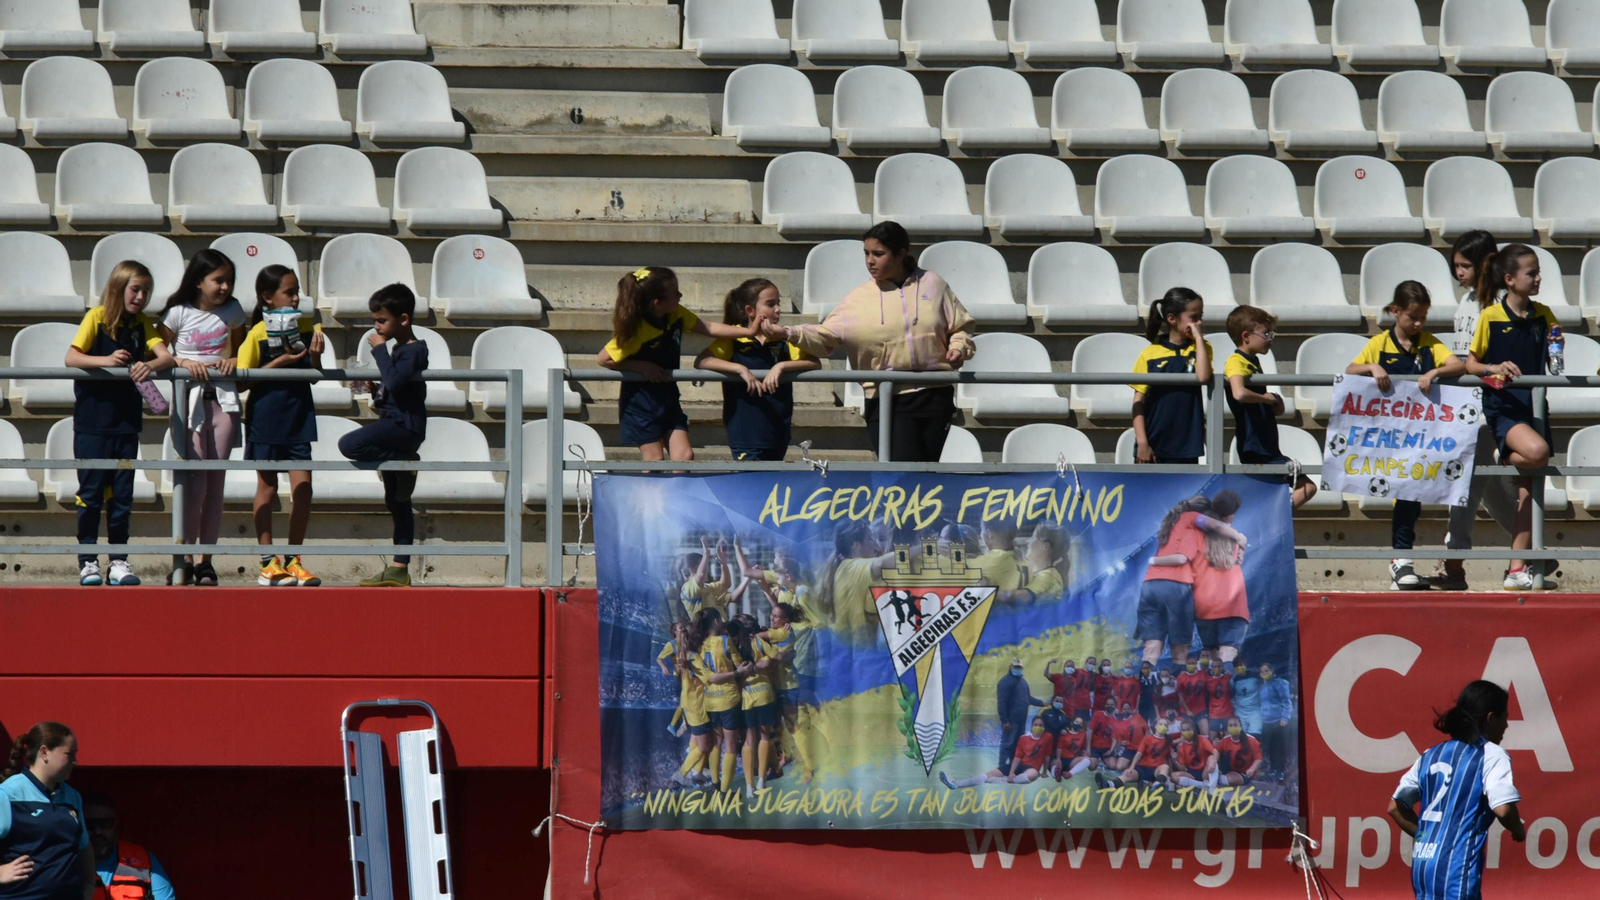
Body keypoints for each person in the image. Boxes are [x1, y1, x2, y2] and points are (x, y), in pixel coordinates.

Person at [762, 222, 976, 462]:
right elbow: (826, 336)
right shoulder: (858, 298)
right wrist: (787, 333)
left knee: (927, 471)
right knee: (901, 472)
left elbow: (960, 327)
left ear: (901, 254)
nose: (869, 261)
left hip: (935, 394)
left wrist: (958, 347)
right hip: (886, 397)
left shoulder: (934, 284)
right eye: (866, 253)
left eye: (878, 254)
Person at [1346, 281, 1467, 591]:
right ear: (1395, 311)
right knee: (1406, 494)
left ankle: (1403, 559)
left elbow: (1457, 364)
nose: (1418, 323)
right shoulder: (1380, 344)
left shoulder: (1428, 343)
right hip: (1388, 438)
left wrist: (1433, 373)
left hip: (1420, 437)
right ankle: (1400, 560)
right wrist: (1372, 367)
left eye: (1423, 317)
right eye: (1413, 317)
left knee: (1412, 495)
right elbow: (1350, 369)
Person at [64, 261, 175, 587]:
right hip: (92, 425)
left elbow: (166, 357)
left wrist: (149, 366)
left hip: (126, 425)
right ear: (117, 288)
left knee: (121, 497)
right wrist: (106, 362)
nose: (141, 297)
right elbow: (72, 357)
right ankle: (87, 561)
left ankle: (118, 560)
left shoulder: (143, 324)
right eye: (135, 289)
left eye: (146, 292)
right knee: (90, 495)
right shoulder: (96, 317)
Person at [1464, 244, 1558, 591]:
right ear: (1510, 279)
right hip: (1504, 409)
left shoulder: (1544, 314)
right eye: (1531, 273)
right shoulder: (1490, 316)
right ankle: (1503, 451)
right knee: (1536, 454)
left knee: (1532, 489)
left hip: (1535, 409)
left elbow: (1554, 353)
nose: (1537, 278)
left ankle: (1517, 569)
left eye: (1537, 272)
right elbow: (1472, 363)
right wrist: (1494, 367)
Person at [598, 267, 756, 463]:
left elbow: (709, 327)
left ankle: (679, 491)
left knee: (684, 456)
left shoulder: (677, 314)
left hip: (667, 397)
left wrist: (749, 333)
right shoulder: (637, 329)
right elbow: (603, 358)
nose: (680, 295)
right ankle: (651, 494)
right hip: (641, 404)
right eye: (675, 293)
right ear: (658, 303)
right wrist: (642, 366)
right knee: (655, 459)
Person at [1388, 680, 1525, 900]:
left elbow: (1395, 807)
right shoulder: (1490, 754)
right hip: (1456, 867)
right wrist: (1517, 828)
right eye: (1505, 718)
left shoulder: (1429, 755)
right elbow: (1504, 809)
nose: (1506, 726)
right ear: (1491, 718)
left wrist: (1429, 837)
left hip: (1423, 866)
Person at [1437, 230, 1520, 590]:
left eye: (1465, 265)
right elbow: (1460, 355)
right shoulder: (1466, 301)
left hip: (1491, 407)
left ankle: (1453, 566)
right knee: (1486, 492)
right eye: (1455, 265)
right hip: (1465, 406)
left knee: (1464, 486)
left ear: (1486, 263)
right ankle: (1538, 556)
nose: (1459, 272)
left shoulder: (1503, 303)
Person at [159, 249, 245, 587]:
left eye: (228, 281)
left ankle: (206, 561)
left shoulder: (233, 312)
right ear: (199, 281)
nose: (224, 287)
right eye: (218, 280)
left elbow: (240, 351)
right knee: (192, 484)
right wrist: (181, 362)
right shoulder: (177, 312)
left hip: (223, 403)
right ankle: (184, 558)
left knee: (214, 484)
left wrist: (232, 362)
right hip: (188, 404)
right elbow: (159, 351)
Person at [236, 265, 323, 588]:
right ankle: (268, 562)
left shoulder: (305, 327)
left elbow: (316, 375)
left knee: (303, 490)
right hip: (265, 418)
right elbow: (241, 381)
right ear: (267, 298)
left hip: (299, 417)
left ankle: (294, 559)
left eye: (297, 290)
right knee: (268, 489)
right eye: (289, 291)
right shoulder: (257, 333)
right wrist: (279, 363)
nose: (296, 297)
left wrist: (315, 357)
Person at [339, 284, 429, 588]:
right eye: (375, 320)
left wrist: (378, 349)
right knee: (397, 501)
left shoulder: (415, 349)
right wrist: (374, 389)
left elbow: (394, 377)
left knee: (349, 444)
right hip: (397, 423)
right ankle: (399, 568)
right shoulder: (398, 351)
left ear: (403, 319)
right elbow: (394, 386)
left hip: (404, 428)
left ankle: (403, 460)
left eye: (381, 320)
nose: (375, 327)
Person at [693, 279, 818, 461]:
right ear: (750, 311)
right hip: (745, 432)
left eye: (778, 303)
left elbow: (814, 363)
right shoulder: (734, 338)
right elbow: (702, 360)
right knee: (751, 482)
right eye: (770, 304)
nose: (777, 309)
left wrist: (781, 366)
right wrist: (739, 368)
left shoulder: (784, 337)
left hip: (777, 428)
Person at [1225, 306, 1317, 508]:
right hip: (1255, 448)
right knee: (1307, 487)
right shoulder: (1236, 361)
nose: (1271, 338)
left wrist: (1274, 402)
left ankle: (1273, 519)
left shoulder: (1253, 361)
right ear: (1246, 336)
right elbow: (1238, 392)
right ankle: (1275, 521)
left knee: (1297, 490)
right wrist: (1265, 398)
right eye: (1266, 333)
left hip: (1268, 446)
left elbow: (1266, 404)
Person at [1139, 494, 1246, 666]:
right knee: (1182, 650)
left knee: (1151, 645)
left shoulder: (1169, 528)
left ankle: (1145, 685)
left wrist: (1152, 561)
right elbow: (1182, 558)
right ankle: (1182, 685)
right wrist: (1240, 538)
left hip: (1150, 584)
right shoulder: (1193, 525)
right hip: (1179, 587)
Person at [1, 722, 96, 900]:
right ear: (44, 752)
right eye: (70, 754)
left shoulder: (72, 798)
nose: (75, 761)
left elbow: (84, 846)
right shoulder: (8, 795)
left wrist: (90, 884)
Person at [1131, 287, 1211, 465]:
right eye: (1193, 318)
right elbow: (1138, 402)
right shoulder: (1149, 353)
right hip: (1153, 444)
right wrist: (1142, 443)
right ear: (1172, 319)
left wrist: (1198, 339)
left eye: (1201, 317)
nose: (1199, 323)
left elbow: (1204, 377)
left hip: (1186, 444)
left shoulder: (1201, 348)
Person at [688, 609, 743, 792]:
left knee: (716, 744)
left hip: (710, 700)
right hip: (728, 698)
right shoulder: (725, 641)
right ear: (717, 621)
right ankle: (726, 791)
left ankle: (716, 784)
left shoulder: (699, 646)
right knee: (731, 746)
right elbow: (740, 665)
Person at [82, 793, 175, 900]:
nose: (98, 831)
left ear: (116, 825)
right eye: (89, 824)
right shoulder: (66, 862)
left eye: (105, 823)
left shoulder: (145, 860)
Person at [814, 520, 896, 641]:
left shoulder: (838, 568)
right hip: (862, 647)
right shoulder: (859, 569)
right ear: (856, 545)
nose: (876, 545)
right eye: (871, 539)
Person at [659, 623, 715, 788]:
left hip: (688, 703)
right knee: (705, 744)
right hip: (696, 705)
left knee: (696, 738)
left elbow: (678, 675)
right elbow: (709, 678)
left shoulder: (683, 657)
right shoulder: (693, 657)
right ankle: (682, 773)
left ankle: (697, 772)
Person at [730, 616, 780, 797]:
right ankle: (761, 780)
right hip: (764, 692)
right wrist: (757, 667)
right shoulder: (756, 641)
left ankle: (749, 785)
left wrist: (744, 671)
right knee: (765, 736)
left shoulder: (731, 646)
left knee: (749, 740)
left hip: (745, 696)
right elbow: (770, 659)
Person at [942, 716, 1053, 788]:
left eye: (1041, 725)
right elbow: (1017, 758)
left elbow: (1047, 756)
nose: (1038, 727)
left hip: (1031, 768)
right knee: (987, 775)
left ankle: (1003, 781)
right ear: (1032, 726)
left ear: (1044, 727)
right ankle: (957, 783)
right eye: (1036, 724)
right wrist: (1011, 773)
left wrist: (1044, 772)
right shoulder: (1023, 739)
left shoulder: (1048, 737)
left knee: (1033, 774)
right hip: (1019, 765)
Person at [996, 657, 1047, 770]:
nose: (1018, 669)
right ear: (1010, 667)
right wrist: (1005, 721)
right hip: (1010, 721)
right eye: (1016, 667)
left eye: (1020, 667)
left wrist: (1041, 703)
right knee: (1007, 744)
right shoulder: (1005, 682)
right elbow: (1002, 702)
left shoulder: (1023, 682)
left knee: (1018, 744)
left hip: (1021, 720)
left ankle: (1013, 767)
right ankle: (1001, 767)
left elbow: (1027, 698)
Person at [1258, 662, 1294, 781]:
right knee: (1271, 745)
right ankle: (1273, 768)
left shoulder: (1280, 683)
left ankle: (1281, 770)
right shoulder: (1262, 686)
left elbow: (1286, 701)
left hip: (1278, 720)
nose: (1264, 673)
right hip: (1266, 720)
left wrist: (1285, 717)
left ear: (1272, 671)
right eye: (1262, 672)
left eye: (1266, 671)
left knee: (1280, 746)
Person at [1115, 718, 1173, 789]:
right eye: (1160, 724)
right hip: (1143, 767)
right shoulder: (1147, 738)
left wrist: (1170, 773)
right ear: (1155, 726)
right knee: (1127, 775)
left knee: (1165, 767)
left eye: (1165, 725)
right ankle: (1110, 784)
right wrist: (1131, 767)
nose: (1163, 726)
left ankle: (1157, 784)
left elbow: (1168, 758)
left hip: (1155, 770)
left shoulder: (1168, 741)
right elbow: (1139, 754)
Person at [1214, 716, 1263, 792]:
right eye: (1230, 725)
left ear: (1240, 726)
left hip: (1244, 773)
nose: (1233, 727)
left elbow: (1258, 758)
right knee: (1211, 759)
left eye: (1235, 725)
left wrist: (1252, 769)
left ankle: (1213, 781)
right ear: (1227, 728)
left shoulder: (1251, 740)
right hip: (1230, 768)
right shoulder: (1225, 740)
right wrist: (1214, 762)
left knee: (1225, 780)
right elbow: (1216, 750)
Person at [1169, 718, 1219, 791]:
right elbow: (1183, 768)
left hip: (1204, 772)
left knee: (1211, 758)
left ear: (1193, 729)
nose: (1186, 732)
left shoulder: (1202, 739)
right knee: (1173, 776)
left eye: (1188, 729)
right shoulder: (1182, 747)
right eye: (1184, 730)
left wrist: (1214, 762)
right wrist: (1174, 760)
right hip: (1191, 774)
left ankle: (1212, 787)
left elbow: (1215, 752)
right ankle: (1202, 786)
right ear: (1181, 732)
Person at [1176, 657, 1212, 731]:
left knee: (1206, 732)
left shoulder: (1203, 674)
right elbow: (1180, 696)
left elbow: (1212, 683)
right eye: (1189, 663)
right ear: (1186, 665)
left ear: (1196, 664)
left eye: (1193, 663)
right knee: (1189, 734)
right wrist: (1187, 710)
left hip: (1201, 709)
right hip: (1186, 711)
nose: (1191, 665)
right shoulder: (1181, 677)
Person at [1051, 716, 1092, 782]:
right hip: (1061, 758)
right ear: (1072, 722)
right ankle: (1056, 774)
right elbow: (1059, 749)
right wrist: (1058, 759)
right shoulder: (1064, 733)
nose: (1078, 724)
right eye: (1076, 722)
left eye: (1080, 723)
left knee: (1088, 760)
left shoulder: (1083, 734)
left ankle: (1070, 773)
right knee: (1055, 765)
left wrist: (1086, 751)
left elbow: (1085, 745)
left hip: (1071, 760)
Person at [1231, 659, 1263, 737]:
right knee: (1241, 737)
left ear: (1245, 665)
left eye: (1241, 665)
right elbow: (1232, 696)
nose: (1239, 667)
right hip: (1240, 712)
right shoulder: (1234, 680)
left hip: (1255, 711)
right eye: (1237, 666)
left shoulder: (1255, 676)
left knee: (1254, 737)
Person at [1204, 657, 1235, 737]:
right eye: (1214, 667)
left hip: (1227, 713)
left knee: (1228, 740)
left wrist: (1231, 676)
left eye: (1219, 666)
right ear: (1211, 668)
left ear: (1222, 667)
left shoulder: (1228, 678)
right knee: (1213, 740)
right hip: (1214, 714)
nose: (1217, 668)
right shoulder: (1207, 680)